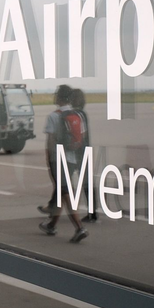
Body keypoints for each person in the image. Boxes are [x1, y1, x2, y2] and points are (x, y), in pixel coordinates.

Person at [38, 84, 88, 243]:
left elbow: (51, 142)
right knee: (61, 192)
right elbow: (83, 137)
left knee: (66, 194)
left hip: (59, 160)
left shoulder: (54, 116)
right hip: (73, 159)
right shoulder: (78, 115)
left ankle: (79, 227)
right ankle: (51, 224)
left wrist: (50, 161)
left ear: (59, 97)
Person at [71, 88, 97, 223]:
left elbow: (81, 134)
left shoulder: (77, 115)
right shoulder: (83, 113)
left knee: (67, 182)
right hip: (85, 150)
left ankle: (54, 209)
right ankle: (93, 211)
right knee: (87, 182)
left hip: (79, 152)